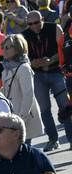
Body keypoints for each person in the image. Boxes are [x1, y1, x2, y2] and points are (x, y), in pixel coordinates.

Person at [23, 9, 72, 152]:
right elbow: (23, 56)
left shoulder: (54, 28)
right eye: (30, 24)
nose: (34, 26)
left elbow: (64, 50)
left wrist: (51, 60)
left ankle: (71, 139)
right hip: (38, 74)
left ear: (42, 19)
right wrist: (33, 63)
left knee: (65, 107)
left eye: (36, 22)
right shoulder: (24, 35)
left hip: (56, 71)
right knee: (44, 110)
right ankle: (53, 139)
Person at [0, 33, 44, 143]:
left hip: (23, 117)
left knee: (23, 152)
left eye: (7, 47)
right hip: (11, 116)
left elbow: (28, 94)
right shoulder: (6, 68)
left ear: (18, 48)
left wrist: (21, 119)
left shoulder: (23, 68)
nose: (4, 50)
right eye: (3, 47)